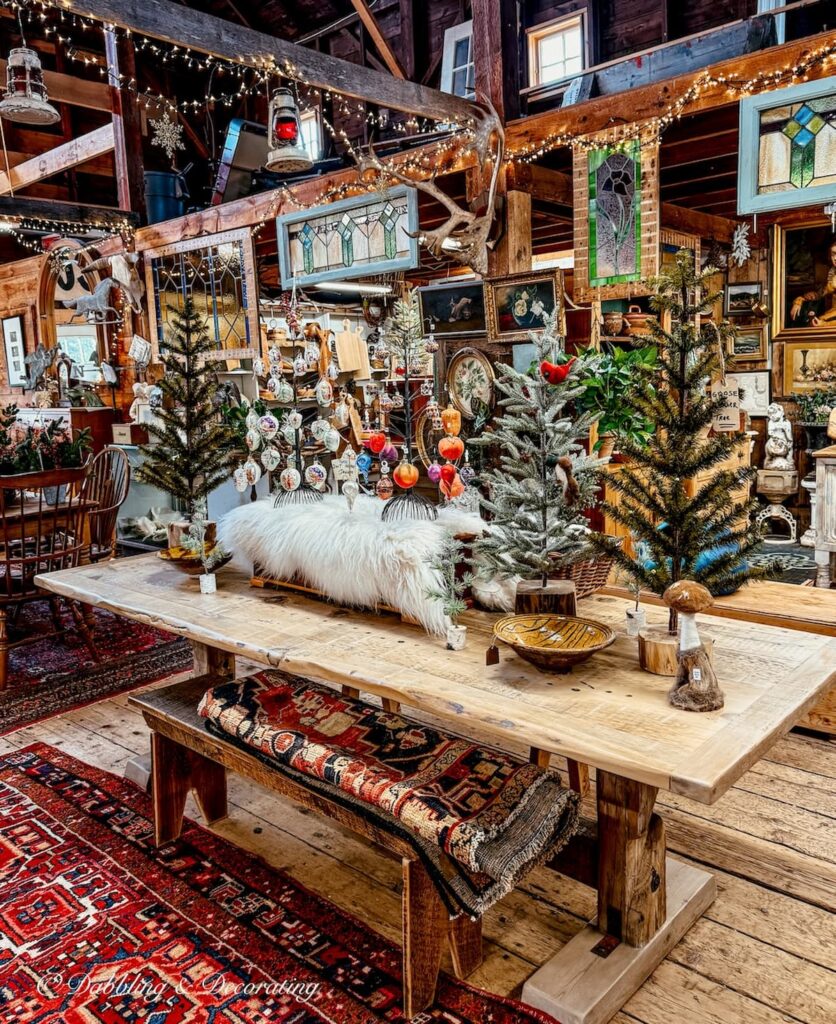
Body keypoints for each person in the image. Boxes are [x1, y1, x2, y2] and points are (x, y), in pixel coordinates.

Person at [790, 238, 836, 326]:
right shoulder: (831, 274)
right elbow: (818, 295)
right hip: (826, 318)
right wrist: (799, 301)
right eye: (833, 254)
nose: (835, 258)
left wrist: (824, 325)